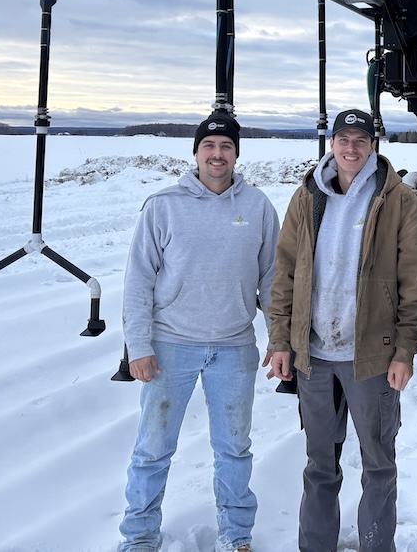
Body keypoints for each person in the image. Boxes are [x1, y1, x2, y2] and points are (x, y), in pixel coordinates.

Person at [265, 108, 417, 552]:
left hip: (372, 357)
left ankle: (377, 546)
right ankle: (315, 545)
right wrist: (282, 340)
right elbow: (284, 273)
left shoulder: (399, 199)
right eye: (344, 139)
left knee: (378, 464)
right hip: (314, 357)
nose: (352, 148)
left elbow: (416, 280)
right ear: (332, 144)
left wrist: (404, 350)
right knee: (320, 464)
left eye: (361, 140)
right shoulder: (307, 197)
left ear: (373, 145)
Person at [118, 113, 278, 552]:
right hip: (171, 346)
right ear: (196, 152)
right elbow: (138, 281)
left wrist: (280, 338)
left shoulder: (258, 206)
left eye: (226, 146)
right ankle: (139, 535)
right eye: (209, 146)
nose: (217, 154)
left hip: (235, 348)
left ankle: (236, 535)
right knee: (153, 450)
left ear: (236, 153)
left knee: (234, 450)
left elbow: (273, 281)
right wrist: (139, 345)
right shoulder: (163, 205)